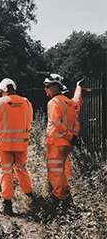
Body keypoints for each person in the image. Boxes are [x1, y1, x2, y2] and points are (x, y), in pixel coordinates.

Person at [0, 78, 33, 215]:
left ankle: (7, 205)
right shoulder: (27, 102)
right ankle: (30, 196)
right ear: (14, 88)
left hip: (3, 145)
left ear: (1, 91)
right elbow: (30, 119)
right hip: (22, 144)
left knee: (6, 173)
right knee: (21, 169)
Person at [44, 74, 79, 207]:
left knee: (55, 172)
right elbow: (75, 121)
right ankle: (66, 192)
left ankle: (60, 199)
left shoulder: (53, 103)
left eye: (47, 86)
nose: (45, 89)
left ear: (56, 86)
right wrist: (73, 138)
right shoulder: (69, 102)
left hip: (56, 143)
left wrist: (69, 136)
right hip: (67, 144)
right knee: (63, 170)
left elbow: (57, 123)